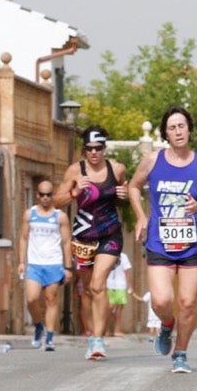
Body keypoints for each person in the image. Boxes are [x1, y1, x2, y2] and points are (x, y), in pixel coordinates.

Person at [129, 105, 197, 374]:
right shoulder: (153, 161)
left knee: (188, 303)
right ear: (165, 134)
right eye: (172, 127)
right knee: (161, 300)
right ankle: (167, 324)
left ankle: (180, 352)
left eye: (182, 126)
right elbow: (134, 186)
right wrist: (141, 217)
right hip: (160, 242)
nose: (178, 131)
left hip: (193, 244)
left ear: (189, 129)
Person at [54, 126, 129, 361]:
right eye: (89, 149)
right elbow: (57, 201)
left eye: (98, 148)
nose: (94, 153)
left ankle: (98, 340)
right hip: (83, 235)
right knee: (87, 290)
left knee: (98, 284)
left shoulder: (116, 169)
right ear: (84, 149)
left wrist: (124, 195)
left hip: (110, 234)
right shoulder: (75, 171)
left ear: (104, 148)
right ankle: (92, 337)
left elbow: (124, 194)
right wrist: (74, 193)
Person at [17, 179, 72, 351]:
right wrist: (21, 262)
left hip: (53, 263)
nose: (46, 198)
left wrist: (68, 267)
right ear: (37, 195)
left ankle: (49, 337)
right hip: (34, 263)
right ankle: (38, 325)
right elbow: (23, 238)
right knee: (32, 298)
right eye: (42, 195)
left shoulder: (60, 216)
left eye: (49, 195)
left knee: (51, 299)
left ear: (52, 196)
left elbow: (67, 242)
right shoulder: (29, 214)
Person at [104, 249, 132, 338]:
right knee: (109, 307)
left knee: (119, 309)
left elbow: (127, 271)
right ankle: (106, 329)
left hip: (121, 285)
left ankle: (117, 330)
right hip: (109, 284)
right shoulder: (107, 255)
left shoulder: (123, 257)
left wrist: (130, 285)